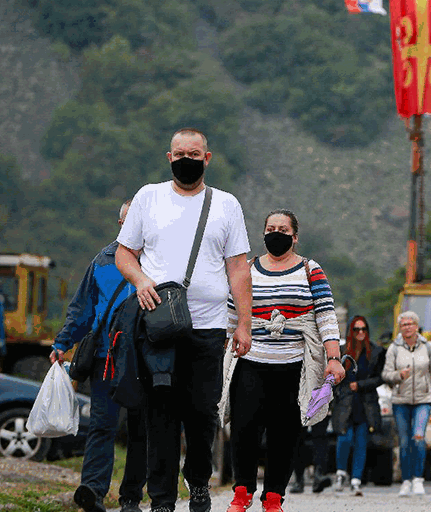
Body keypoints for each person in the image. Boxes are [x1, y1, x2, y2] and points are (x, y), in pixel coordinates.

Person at [116, 128, 254, 512]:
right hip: (158, 326)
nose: (186, 159)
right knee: (160, 413)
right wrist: (141, 278)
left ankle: (198, 482)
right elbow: (124, 254)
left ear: (207, 158)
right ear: (169, 157)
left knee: (201, 412)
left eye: (194, 153)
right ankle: (161, 498)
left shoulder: (226, 204)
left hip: (208, 327)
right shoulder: (149, 197)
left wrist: (244, 323)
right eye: (180, 153)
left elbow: (239, 267)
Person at [223, 209, 344, 512]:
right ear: (263, 233)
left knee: (285, 433)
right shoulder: (246, 269)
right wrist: (222, 351)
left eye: (283, 229)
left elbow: (326, 316)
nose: (276, 233)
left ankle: (274, 496)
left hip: (294, 365)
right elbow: (229, 315)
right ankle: (242, 492)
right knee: (243, 429)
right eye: (271, 228)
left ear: (295, 236)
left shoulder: (310, 270)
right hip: (250, 360)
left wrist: (334, 358)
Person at [50, 201, 148, 512]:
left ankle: (131, 497)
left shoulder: (162, 260)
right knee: (102, 426)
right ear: (121, 223)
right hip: (106, 358)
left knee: (140, 430)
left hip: (146, 361)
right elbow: (83, 308)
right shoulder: (103, 260)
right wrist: (63, 342)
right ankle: (92, 491)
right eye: (129, 219)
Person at [382, 311, 431, 497]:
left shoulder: (428, 347)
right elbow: (386, 375)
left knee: (418, 437)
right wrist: (398, 375)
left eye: (411, 324)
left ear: (417, 326)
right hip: (400, 400)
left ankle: (418, 479)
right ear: (400, 327)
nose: (408, 327)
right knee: (404, 442)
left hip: (423, 400)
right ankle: (406, 480)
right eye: (404, 324)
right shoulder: (394, 349)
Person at [331, 315, 385, 496]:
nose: (360, 333)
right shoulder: (342, 351)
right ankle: (340, 474)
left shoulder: (376, 352)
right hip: (345, 401)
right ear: (351, 332)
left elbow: (380, 378)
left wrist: (361, 385)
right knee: (344, 438)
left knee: (361, 442)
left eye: (363, 329)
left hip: (366, 402)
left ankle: (356, 480)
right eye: (356, 329)